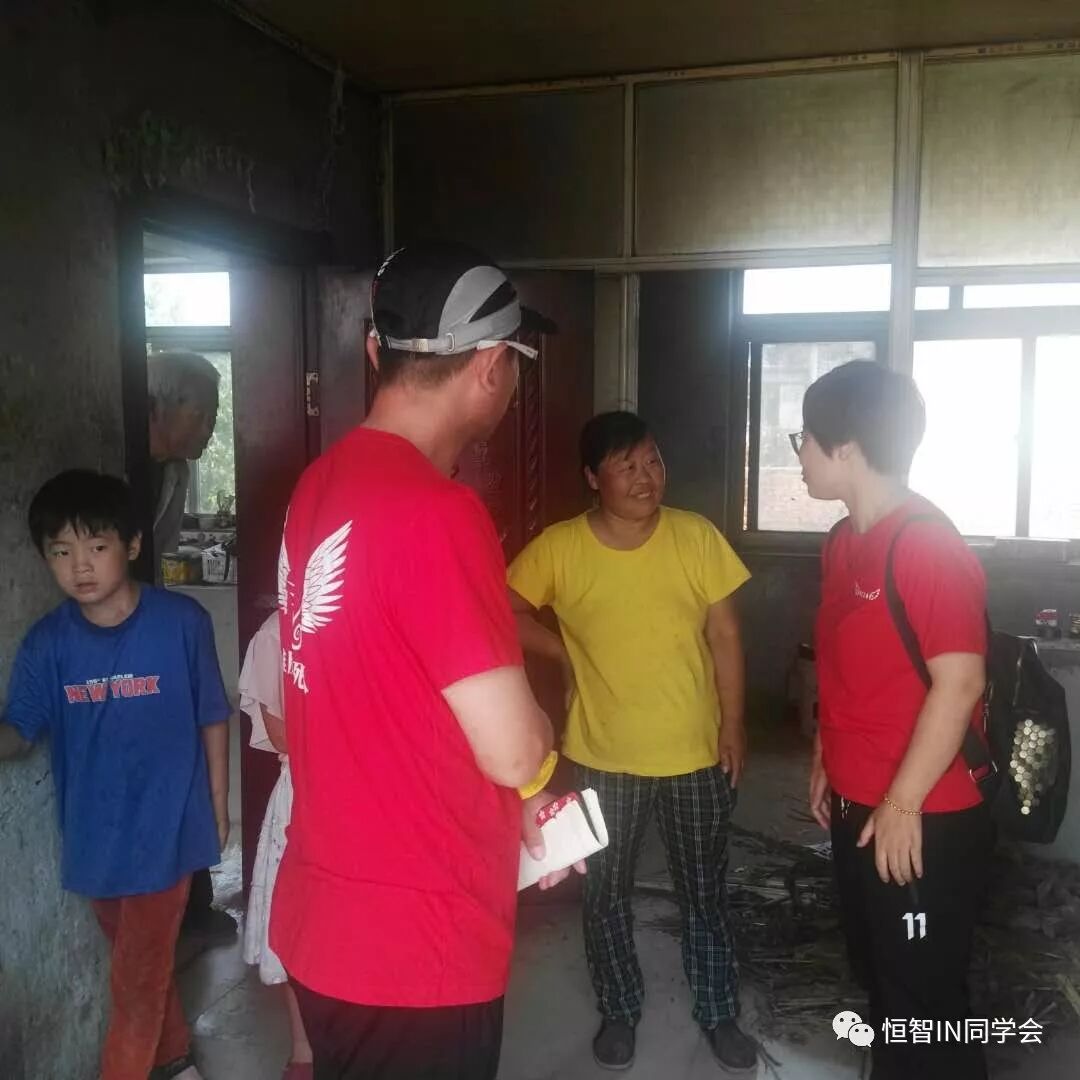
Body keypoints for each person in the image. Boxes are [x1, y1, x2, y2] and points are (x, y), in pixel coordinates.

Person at [270, 241, 579, 1080]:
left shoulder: (318, 486)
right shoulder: (439, 512)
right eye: (514, 365)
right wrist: (539, 757)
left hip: (325, 919)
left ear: (377, 352)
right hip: (416, 943)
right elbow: (512, 748)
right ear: (491, 367)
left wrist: (522, 790)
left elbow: (383, 684)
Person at [508, 411, 758, 1073]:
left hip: (695, 755)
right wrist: (562, 651)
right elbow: (502, 610)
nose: (647, 477)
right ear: (594, 478)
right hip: (602, 757)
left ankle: (718, 1011)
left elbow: (725, 635)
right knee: (605, 893)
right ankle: (619, 1010)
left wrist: (733, 723)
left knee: (704, 892)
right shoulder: (561, 548)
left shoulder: (695, 536)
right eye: (627, 466)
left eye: (653, 460)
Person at [0, 470, 230, 1080]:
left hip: (167, 829)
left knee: (134, 987)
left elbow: (212, 714)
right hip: (94, 838)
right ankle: (176, 1058)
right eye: (60, 551)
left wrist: (217, 806)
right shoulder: (47, 644)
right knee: (142, 967)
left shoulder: (181, 623)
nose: (80, 566)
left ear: (131, 545)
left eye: (96, 546)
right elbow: (20, 731)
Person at [797, 361, 992, 1080]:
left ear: (846, 447)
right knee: (882, 975)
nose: (801, 452)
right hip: (861, 804)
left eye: (805, 438)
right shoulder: (842, 541)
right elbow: (848, 665)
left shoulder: (925, 544)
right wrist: (827, 752)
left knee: (924, 1002)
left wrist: (904, 802)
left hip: (922, 813)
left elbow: (960, 682)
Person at [147, 349, 236, 939]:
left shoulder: (175, 473)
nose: (208, 428)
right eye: (200, 414)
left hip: (156, 620)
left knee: (189, 754)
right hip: (128, 632)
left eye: (213, 417)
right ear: (160, 407)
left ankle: (194, 905)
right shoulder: (127, 466)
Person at [239, 611, 313, 1079]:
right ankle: (304, 1050)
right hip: (307, 795)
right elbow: (282, 729)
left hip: (372, 794)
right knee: (298, 930)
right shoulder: (275, 634)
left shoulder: (375, 616)